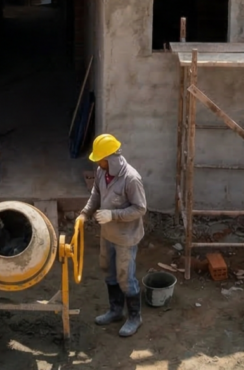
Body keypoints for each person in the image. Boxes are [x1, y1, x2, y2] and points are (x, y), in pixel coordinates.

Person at [80, 134, 147, 337]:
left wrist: (113, 215)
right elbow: (96, 194)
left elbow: (140, 209)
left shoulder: (131, 179)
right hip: (107, 234)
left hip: (126, 237)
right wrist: (85, 213)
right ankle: (116, 310)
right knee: (109, 272)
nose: (97, 162)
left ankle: (135, 317)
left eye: (99, 159)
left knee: (125, 277)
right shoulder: (102, 171)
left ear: (109, 157)